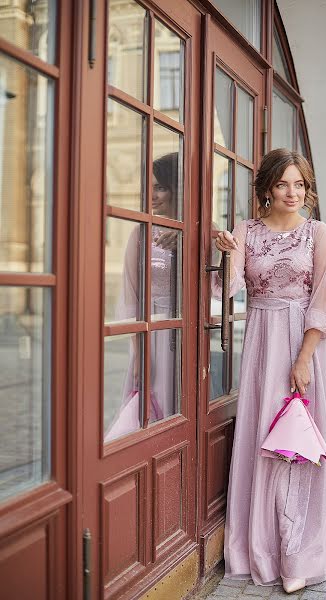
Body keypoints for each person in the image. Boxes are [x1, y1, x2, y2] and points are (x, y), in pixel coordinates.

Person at [213, 148, 326, 593]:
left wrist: (303, 358)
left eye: (300, 184)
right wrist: (224, 253)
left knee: (299, 443)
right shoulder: (246, 231)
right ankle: (265, 547)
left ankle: (300, 552)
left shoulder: (318, 234)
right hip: (261, 342)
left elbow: (324, 300)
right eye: (283, 184)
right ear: (266, 190)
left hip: (306, 345)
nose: (293, 192)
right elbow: (229, 289)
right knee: (267, 440)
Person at [104, 152, 180, 441]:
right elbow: (131, 298)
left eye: (159, 187)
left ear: (177, 188)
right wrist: (139, 354)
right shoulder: (140, 232)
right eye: (147, 188)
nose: (152, 195)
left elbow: (216, 285)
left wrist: (189, 240)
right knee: (147, 410)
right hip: (151, 336)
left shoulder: (203, 231)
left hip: (188, 337)